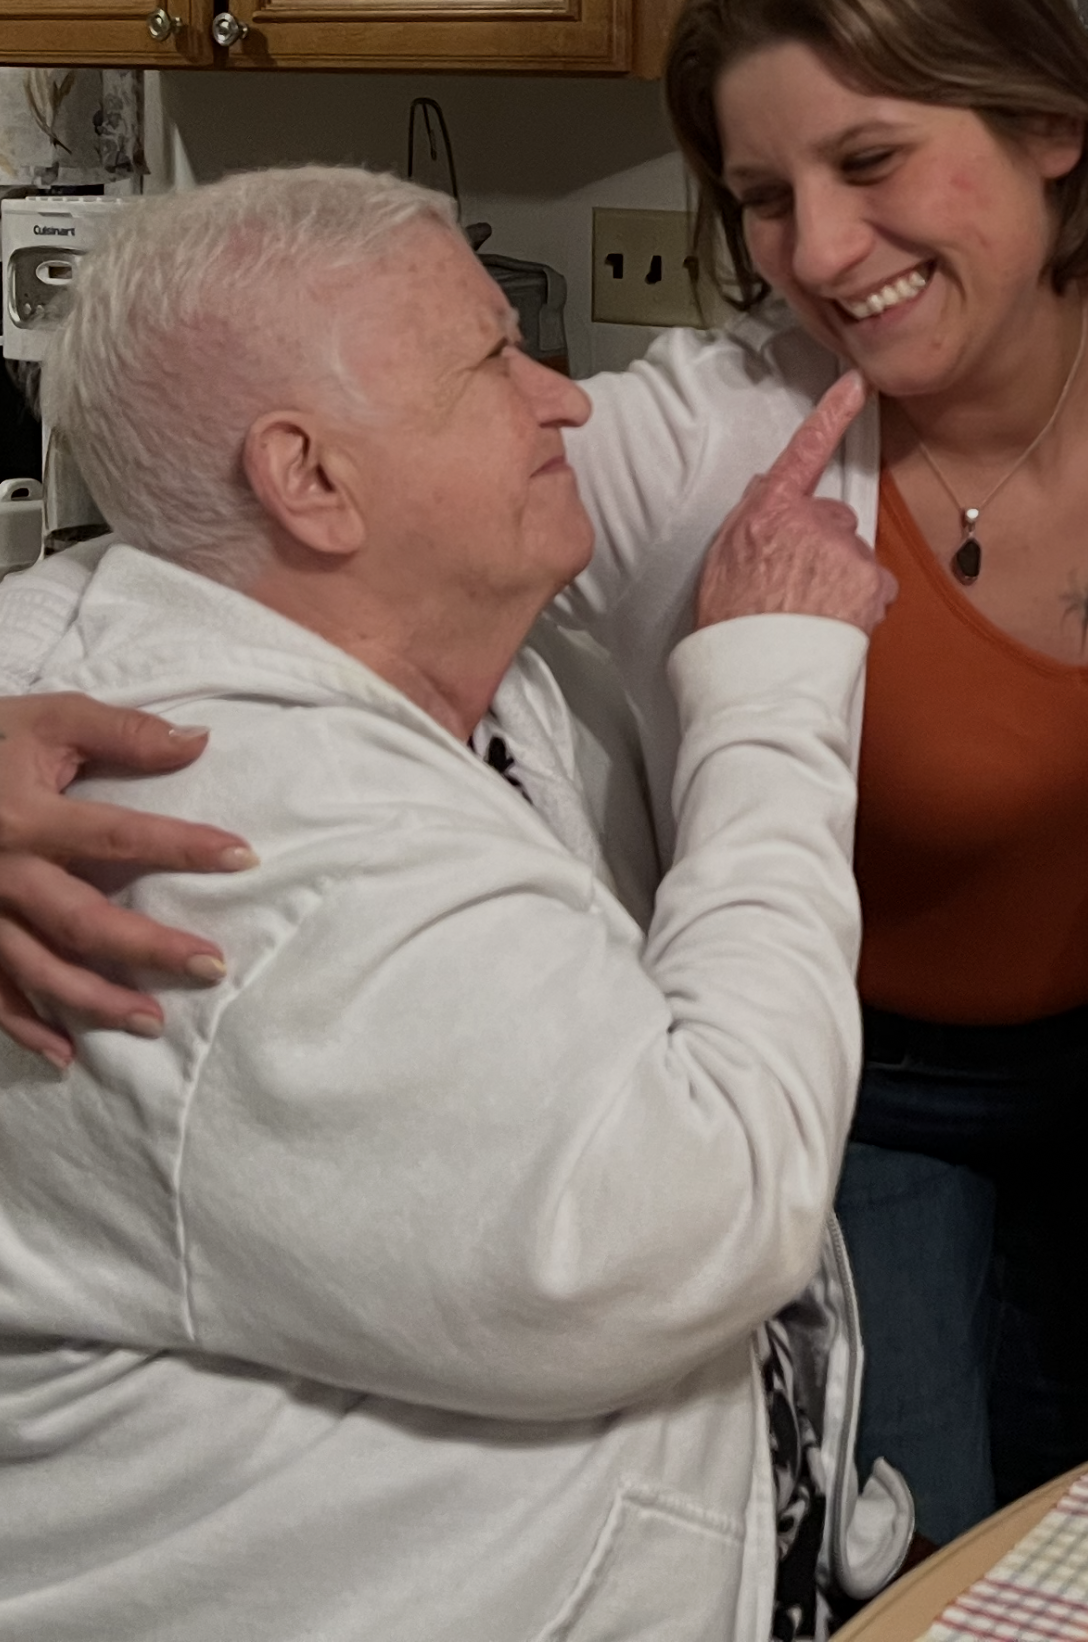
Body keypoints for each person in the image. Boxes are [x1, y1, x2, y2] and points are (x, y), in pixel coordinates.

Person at [6, 0, 1088, 1548]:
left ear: (1047, 126)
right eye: (761, 196)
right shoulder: (705, 448)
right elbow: (199, 559)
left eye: (867, 162)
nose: (818, 252)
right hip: (866, 1101)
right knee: (916, 1553)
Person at [0, 164, 909, 1642]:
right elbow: (704, 1208)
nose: (567, 401)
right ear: (309, 479)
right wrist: (772, 680)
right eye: (495, 357)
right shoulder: (221, 856)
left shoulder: (491, 676)